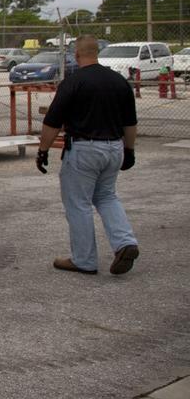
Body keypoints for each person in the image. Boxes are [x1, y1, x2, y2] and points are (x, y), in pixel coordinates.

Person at [34, 35, 140, 275]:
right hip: (113, 148)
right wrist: (129, 150)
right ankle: (124, 242)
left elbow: (52, 122)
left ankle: (84, 260)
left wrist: (43, 151)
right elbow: (130, 123)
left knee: (78, 204)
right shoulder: (118, 81)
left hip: (84, 149)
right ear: (97, 53)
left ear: (77, 55)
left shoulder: (74, 82)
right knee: (107, 196)